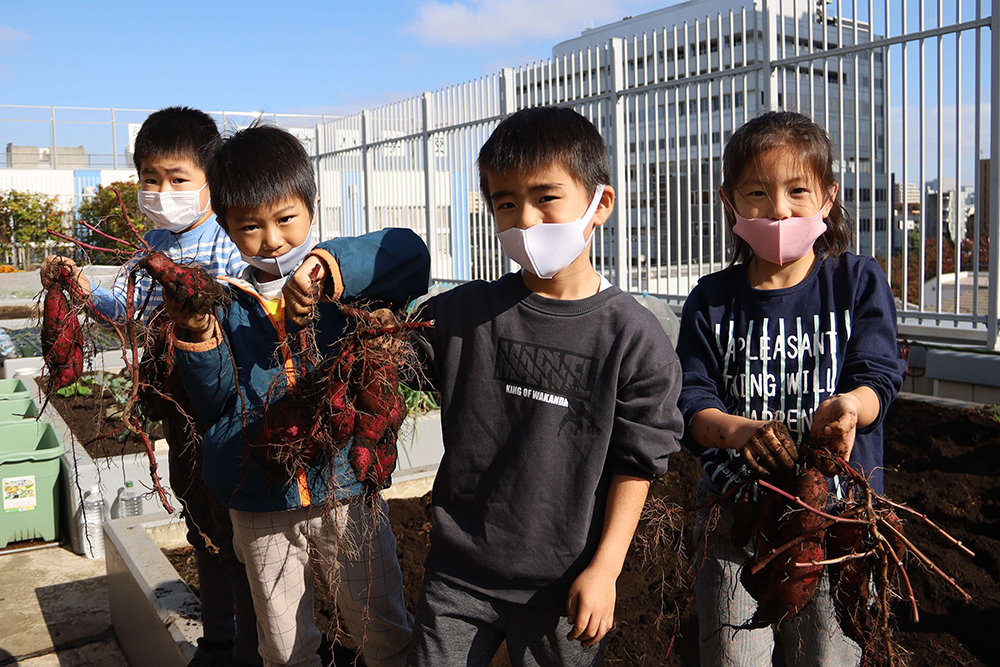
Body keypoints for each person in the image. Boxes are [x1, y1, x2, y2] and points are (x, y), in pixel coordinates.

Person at [405, 106, 685, 667]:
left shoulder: (632, 337)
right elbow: (390, 353)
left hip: (563, 583)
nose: (525, 220)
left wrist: (604, 570)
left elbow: (639, 462)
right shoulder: (461, 315)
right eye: (505, 203)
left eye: (545, 197)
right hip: (459, 572)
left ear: (599, 204)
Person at [166, 123, 427, 667]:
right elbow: (213, 408)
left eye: (286, 219)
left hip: (347, 487)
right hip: (261, 501)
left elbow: (410, 251)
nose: (273, 239)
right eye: (250, 227)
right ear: (226, 227)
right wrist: (195, 337)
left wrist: (327, 268)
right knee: (284, 645)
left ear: (311, 206)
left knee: (381, 626)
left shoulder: (342, 286)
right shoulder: (225, 306)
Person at [675, 110, 907, 666]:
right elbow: (690, 401)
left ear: (826, 199)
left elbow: (879, 375)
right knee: (734, 654)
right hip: (736, 515)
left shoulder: (855, 281)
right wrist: (737, 432)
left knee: (828, 652)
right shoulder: (711, 300)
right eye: (757, 192)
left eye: (797, 191)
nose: (777, 209)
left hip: (836, 521)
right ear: (729, 201)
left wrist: (851, 408)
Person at [40, 106, 259, 667]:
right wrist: (79, 286)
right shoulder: (153, 244)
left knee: (238, 529)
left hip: (230, 409)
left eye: (178, 180)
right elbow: (128, 305)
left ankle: (253, 644)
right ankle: (218, 640)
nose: (162, 192)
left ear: (212, 181)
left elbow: (251, 310)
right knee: (200, 524)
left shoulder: (230, 242)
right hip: (177, 406)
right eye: (150, 180)